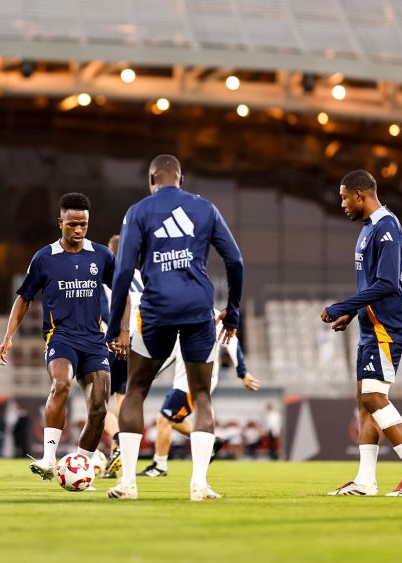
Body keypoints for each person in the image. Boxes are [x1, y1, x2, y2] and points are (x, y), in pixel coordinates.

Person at [105, 154, 244, 501]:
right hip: (198, 310)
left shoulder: (138, 211)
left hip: (157, 311)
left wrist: (114, 325)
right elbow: (235, 259)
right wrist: (234, 310)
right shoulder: (205, 208)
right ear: (180, 178)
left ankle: (128, 483)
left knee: (135, 390)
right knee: (201, 395)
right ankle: (199, 484)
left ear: (152, 180)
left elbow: (123, 270)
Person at [320, 171, 402, 497]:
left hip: (387, 327)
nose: (341, 204)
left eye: (343, 197)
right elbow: (371, 285)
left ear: (360, 195)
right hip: (371, 326)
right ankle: (365, 481)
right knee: (364, 402)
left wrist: (342, 305)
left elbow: (386, 285)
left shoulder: (387, 228)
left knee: (373, 398)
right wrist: (352, 313)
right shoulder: (369, 230)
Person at [0, 193, 115, 480]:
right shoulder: (44, 258)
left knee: (99, 409)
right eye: (72, 224)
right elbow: (24, 298)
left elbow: (120, 293)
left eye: (83, 225)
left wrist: (121, 331)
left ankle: (81, 465)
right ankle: (49, 458)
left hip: (94, 340)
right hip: (60, 337)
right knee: (60, 385)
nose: (78, 230)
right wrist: (8, 336)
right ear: (60, 222)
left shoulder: (101, 255)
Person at [137, 311, 260, 477]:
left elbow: (231, 341)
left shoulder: (211, 315)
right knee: (172, 420)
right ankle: (210, 441)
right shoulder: (178, 313)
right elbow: (173, 351)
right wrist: (152, 372)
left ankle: (159, 466)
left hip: (194, 382)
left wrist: (242, 372)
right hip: (182, 381)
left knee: (164, 419)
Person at [101, 234, 143, 478]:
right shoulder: (140, 276)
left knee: (95, 403)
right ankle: (119, 458)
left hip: (113, 342)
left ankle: (117, 438)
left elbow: (102, 312)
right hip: (138, 345)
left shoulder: (106, 275)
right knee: (124, 400)